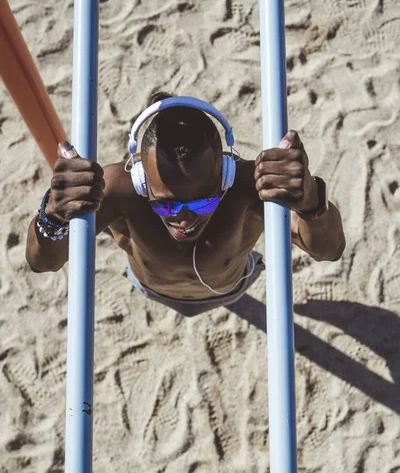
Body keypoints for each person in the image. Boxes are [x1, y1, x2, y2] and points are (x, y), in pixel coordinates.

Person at [25, 91, 345, 317]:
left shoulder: (250, 188)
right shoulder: (118, 192)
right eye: (166, 206)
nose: (185, 218)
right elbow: (43, 263)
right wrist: (53, 217)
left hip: (233, 286)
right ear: (141, 182)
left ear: (226, 175)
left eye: (205, 201)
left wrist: (312, 203)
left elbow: (328, 251)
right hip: (151, 287)